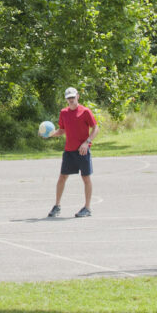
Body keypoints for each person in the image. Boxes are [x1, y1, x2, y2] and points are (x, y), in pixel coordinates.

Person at [47, 87, 97, 218]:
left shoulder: (85, 111)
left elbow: (95, 128)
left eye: (73, 97)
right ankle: (57, 206)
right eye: (68, 98)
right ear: (66, 99)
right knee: (62, 177)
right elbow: (62, 130)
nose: (71, 100)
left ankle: (87, 208)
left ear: (78, 97)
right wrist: (51, 134)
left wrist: (87, 142)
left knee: (86, 178)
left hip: (82, 151)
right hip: (69, 151)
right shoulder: (64, 112)